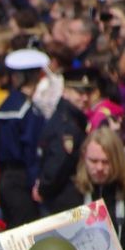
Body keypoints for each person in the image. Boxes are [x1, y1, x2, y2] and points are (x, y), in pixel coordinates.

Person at [34, 66, 98, 210]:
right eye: (79, 92)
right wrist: (43, 187)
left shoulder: (73, 119)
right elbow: (58, 163)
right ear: (65, 91)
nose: (85, 98)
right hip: (62, 199)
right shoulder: (68, 125)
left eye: (88, 93)